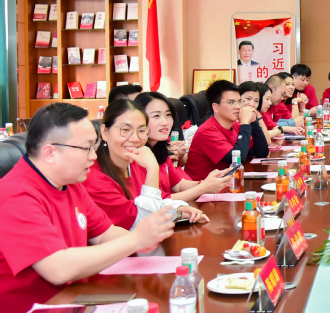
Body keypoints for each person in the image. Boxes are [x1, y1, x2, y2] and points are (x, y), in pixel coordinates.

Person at [0, 103, 174, 313]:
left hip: (77, 298)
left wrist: (144, 240)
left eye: (94, 146)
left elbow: (104, 234)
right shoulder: (15, 195)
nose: (94, 156)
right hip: (38, 307)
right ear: (50, 153)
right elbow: (58, 269)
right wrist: (135, 240)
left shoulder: (71, 183)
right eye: (86, 148)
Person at [83, 100, 208, 229]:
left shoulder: (135, 163)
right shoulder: (93, 178)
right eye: (125, 130)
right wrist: (153, 168)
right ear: (105, 132)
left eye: (142, 131)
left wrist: (177, 210)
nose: (135, 138)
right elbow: (141, 223)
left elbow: (156, 200)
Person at [134, 92, 232, 202]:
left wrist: (212, 182)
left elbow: (179, 184)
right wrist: (204, 187)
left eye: (168, 115)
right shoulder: (138, 156)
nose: (165, 122)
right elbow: (159, 202)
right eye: (156, 116)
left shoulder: (162, 148)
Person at [184, 80, 257, 181]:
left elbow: (260, 151)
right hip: (202, 188)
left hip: (227, 184)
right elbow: (237, 161)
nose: (238, 107)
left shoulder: (235, 126)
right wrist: (245, 123)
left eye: (239, 102)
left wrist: (253, 121)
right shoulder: (207, 131)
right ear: (216, 107)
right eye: (231, 102)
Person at [239, 81, 280, 152]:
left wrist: (258, 116)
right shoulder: (233, 120)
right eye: (248, 99)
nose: (252, 104)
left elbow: (267, 143)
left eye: (256, 101)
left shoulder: (253, 117)